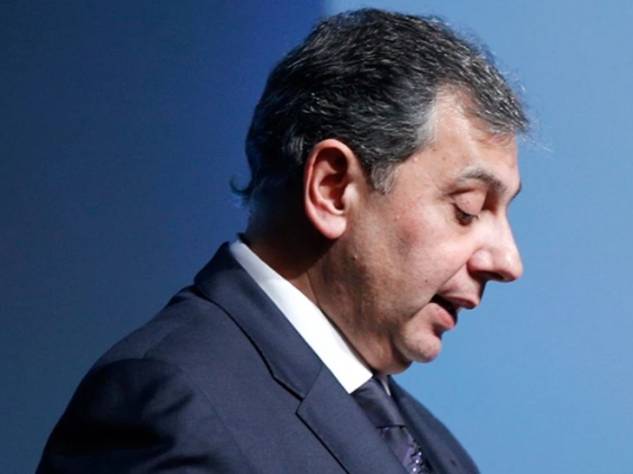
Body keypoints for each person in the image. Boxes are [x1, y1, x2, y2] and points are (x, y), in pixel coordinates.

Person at [37, 8, 527, 473]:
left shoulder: (434, 445)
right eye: (467, 209)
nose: (508, 260)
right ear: (332, 189)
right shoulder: (171, 405)